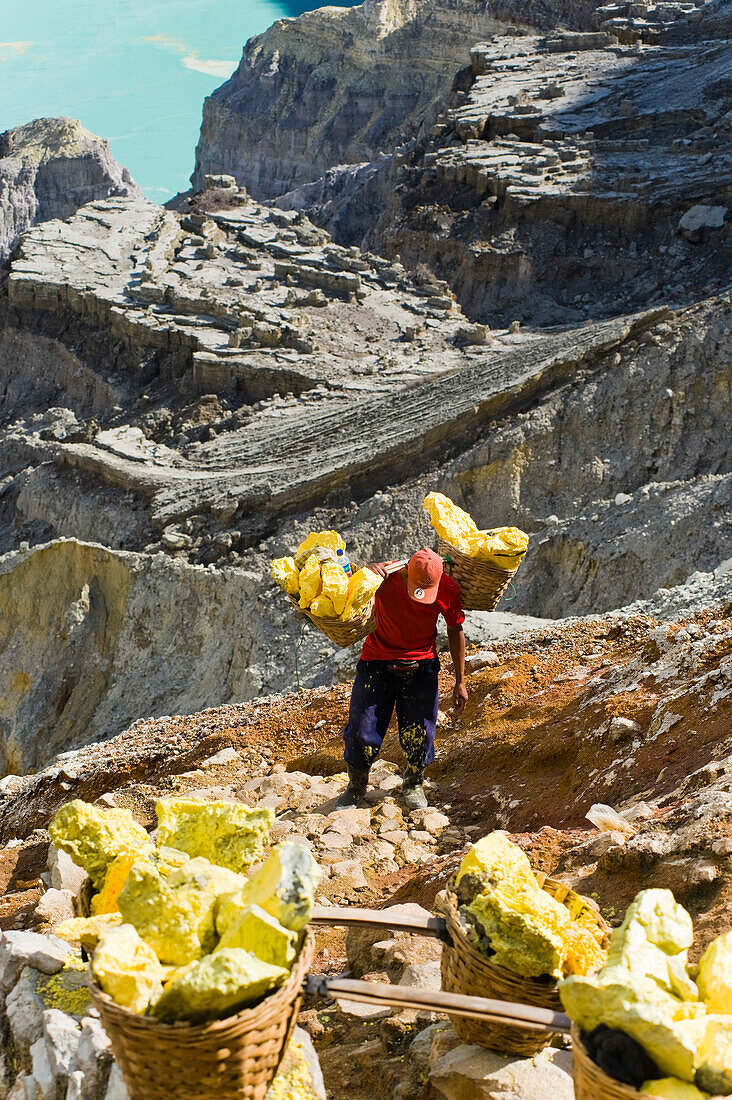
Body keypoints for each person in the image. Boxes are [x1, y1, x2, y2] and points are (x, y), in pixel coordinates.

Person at [338, 548, 467, 811]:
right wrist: (363, 573)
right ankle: (356, 785)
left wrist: (460, 680)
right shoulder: (382, 579)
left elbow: (455, 629)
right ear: (406, 570)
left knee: (420, 731)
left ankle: (413, 782)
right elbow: (346, 590)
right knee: (362, 729)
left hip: (421, 666)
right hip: (377, 662)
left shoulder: (448, 589)